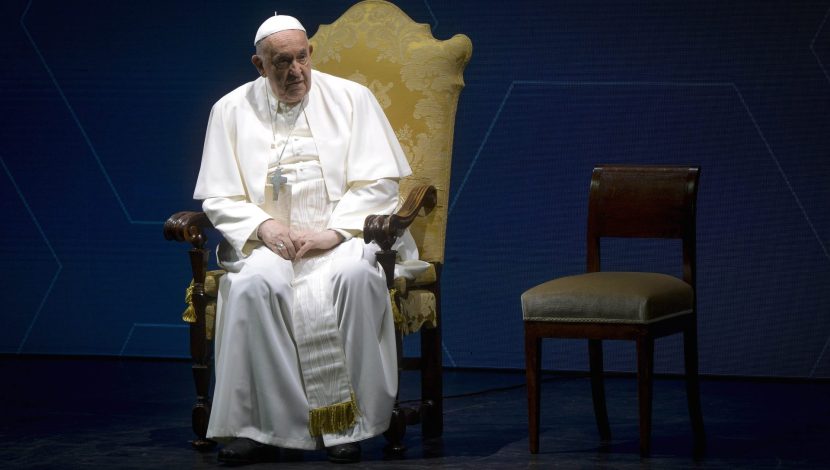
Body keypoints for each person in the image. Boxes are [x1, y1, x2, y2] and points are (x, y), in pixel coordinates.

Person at [192, 14, 417, 465]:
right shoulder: (230, 110)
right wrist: (263, 227)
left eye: (301, 58)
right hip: (269, 241)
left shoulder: (353, 99)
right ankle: (259, 428)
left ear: (310, 53)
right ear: (259, 65)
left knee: (355, 277)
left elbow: (379, 185)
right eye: (281, 63)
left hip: (343, 234)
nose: (296, 72)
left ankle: (349, 426)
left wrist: (331, 233)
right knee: (255, 286)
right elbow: (219, 193)